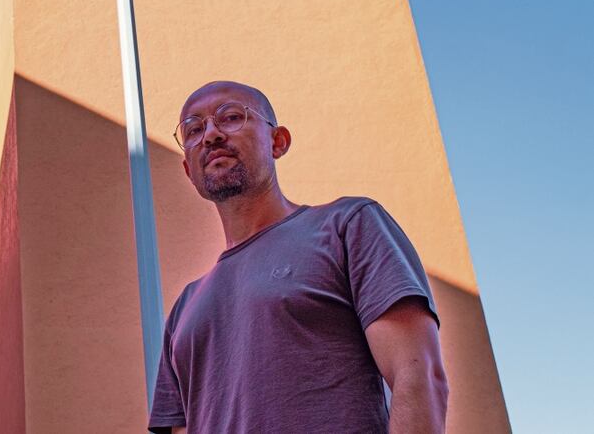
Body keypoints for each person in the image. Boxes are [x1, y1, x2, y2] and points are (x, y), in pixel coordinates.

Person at [148, 81, 448, 433]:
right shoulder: (184, 310)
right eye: (194, 130)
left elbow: (419, 375)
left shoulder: (347, 226)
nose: (211, 135)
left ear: (278, 142)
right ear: (189, 171)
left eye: (230, 117)